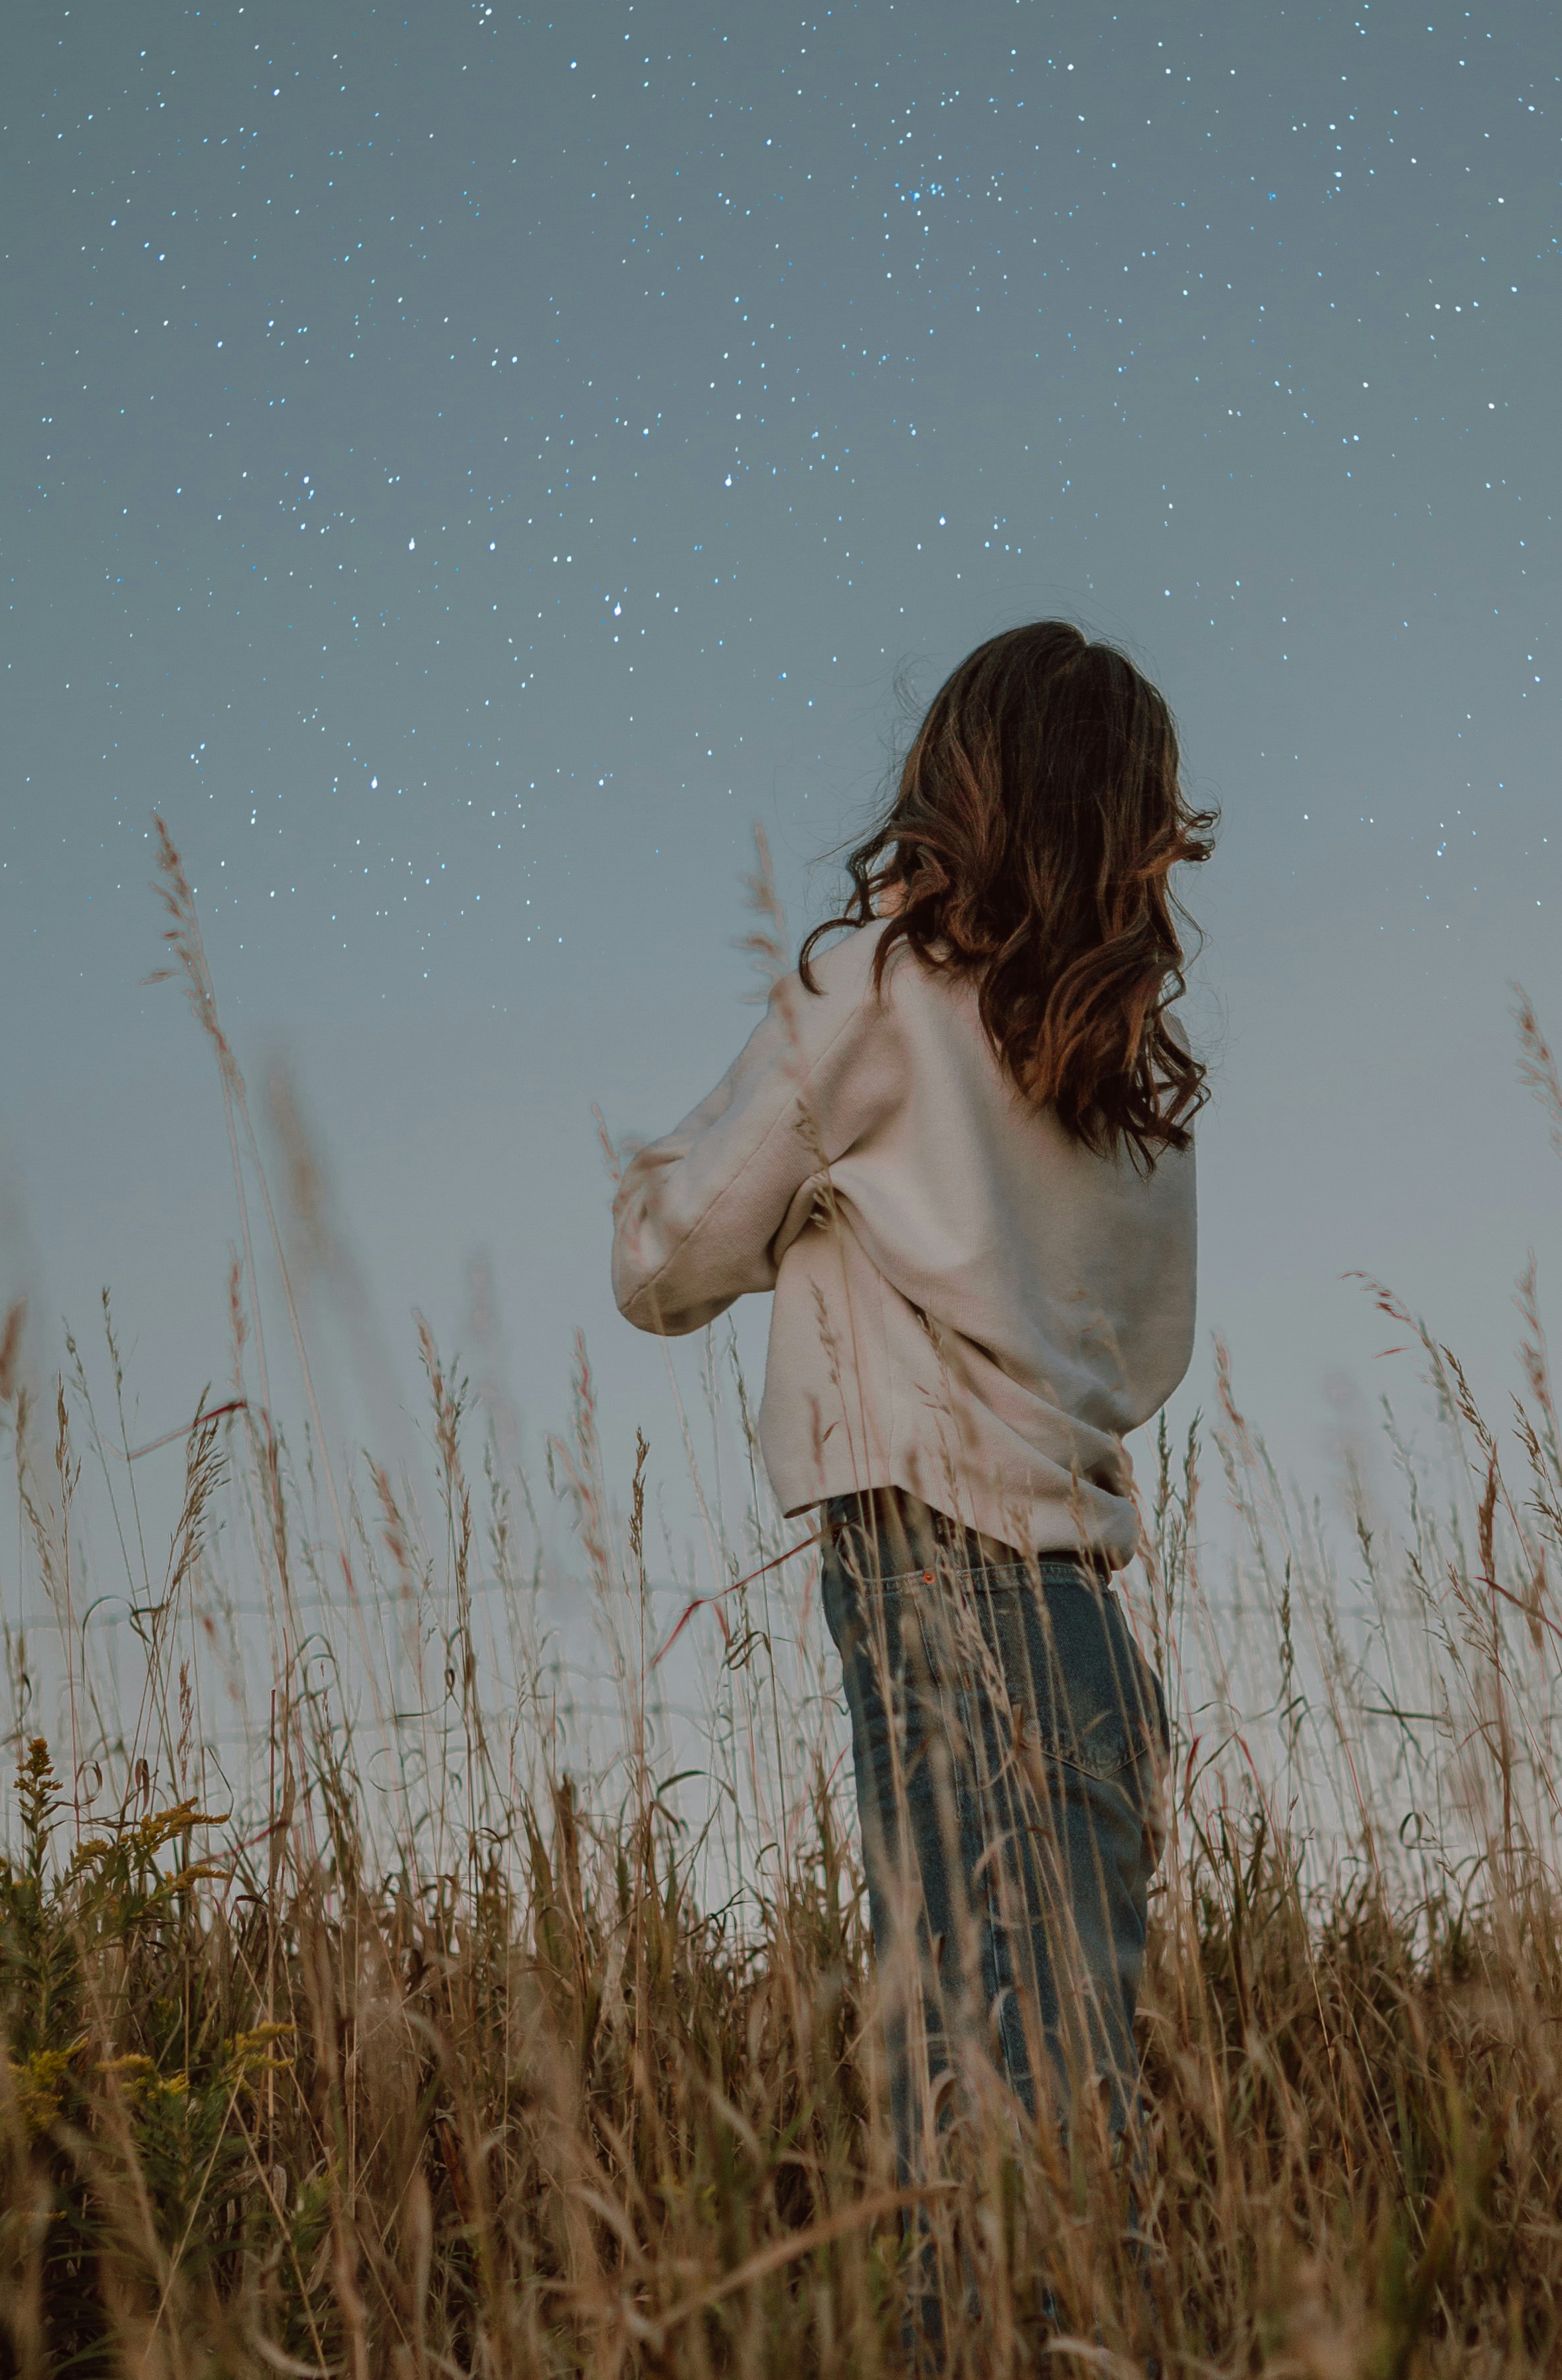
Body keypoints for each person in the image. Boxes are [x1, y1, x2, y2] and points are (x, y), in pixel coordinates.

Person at [609, 621, 1211, 2262]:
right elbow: (1137, 1358)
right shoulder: (1127, 1102)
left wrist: (801, 1204)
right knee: (1079, 2107)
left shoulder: (873, 996)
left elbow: (662, 1262)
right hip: (1089, 1628)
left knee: (964, 2105)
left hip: (934, 1587)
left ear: (954, 788)